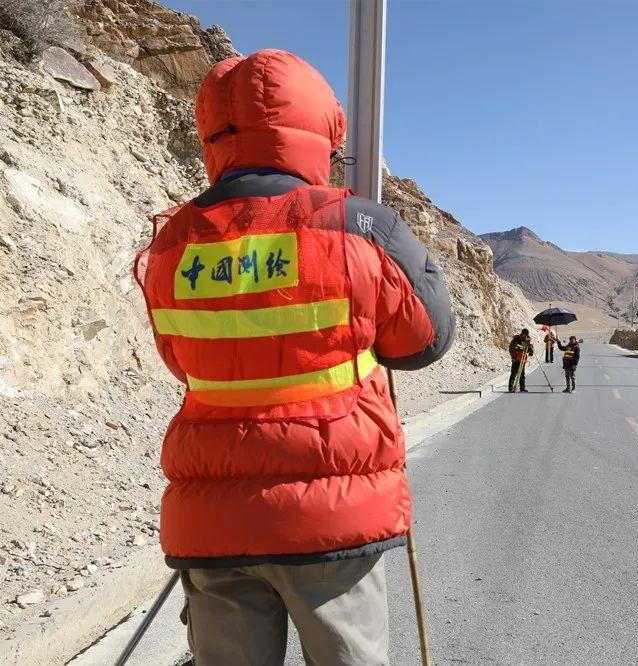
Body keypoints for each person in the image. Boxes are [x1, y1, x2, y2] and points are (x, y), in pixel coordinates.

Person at [133, 49, 454, 666]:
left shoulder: (171, 242)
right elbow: (426, 342)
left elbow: (183, 359)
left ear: (214, 135)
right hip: (331, 519)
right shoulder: (359, 225)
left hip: (213, 520)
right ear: (318, 129)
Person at [508, 328, 534, 392]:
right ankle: (511, 388)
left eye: (526, 335)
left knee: (522, 374)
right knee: (514, 373)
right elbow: (511, 348)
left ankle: (522, 388)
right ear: (522, 333)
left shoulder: (527, 340)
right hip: (516, 358)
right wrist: (513, 357)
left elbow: (530, 347)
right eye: (524, 335)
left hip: (523, 359)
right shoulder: (516, 339)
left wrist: (531, 351)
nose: (525, 336)